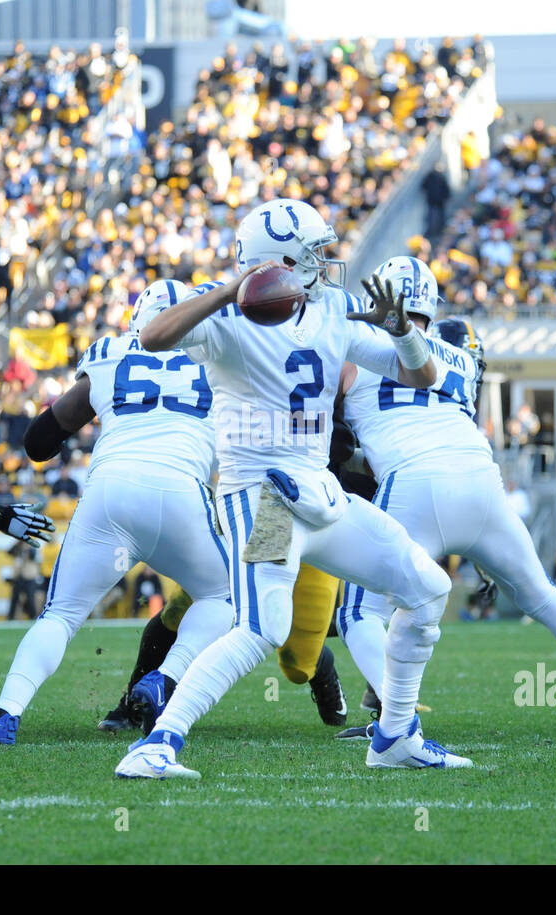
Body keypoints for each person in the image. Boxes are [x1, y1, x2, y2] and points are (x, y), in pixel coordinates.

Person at [114, 199, 466, 779]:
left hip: (318, 492)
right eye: (314, 254)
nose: (325, 263)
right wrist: (232, 290)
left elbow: (421, 376)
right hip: (264, 500)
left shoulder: (328, 307)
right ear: (282, 261)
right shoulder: (225, 314)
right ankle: (156, 745)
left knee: (427, 587)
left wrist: (402, 329)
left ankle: (396, 735)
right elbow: (153, 337)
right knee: (261, 630)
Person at [334, 257, 556, 734]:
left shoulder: (354, 348)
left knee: (359, 610)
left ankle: (393, 718)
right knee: (541, 596)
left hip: (414, 484)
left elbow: (335, 427)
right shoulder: (459, 356)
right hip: (481, 482)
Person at [0, 279, 233, 744]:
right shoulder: (222, 356)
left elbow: (41, 440)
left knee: (61, 615)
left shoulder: (111, 351)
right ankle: (164, 679)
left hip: (109, 488)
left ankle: (5, 713)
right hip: (181, 491)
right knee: (226, 596)